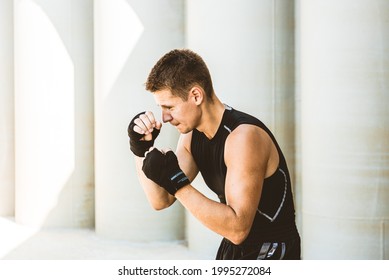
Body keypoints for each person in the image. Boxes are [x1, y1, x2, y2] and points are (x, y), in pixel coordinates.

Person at [127, 49, 301, 260]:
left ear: (196, 95)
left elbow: (238, 229)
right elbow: (161, 200)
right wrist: (140, 149)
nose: (164, 118)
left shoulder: (243, 137)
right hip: (233, 247)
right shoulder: (192, 136)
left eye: (169, 106)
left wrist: (176, 181)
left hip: (271, 250)